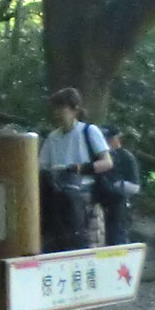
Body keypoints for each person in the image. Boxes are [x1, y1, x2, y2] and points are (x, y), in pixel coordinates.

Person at [39, 87, 110, 252]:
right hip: (57, 191)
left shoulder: (88, 131)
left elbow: (107, 162)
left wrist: (80, 168)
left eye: (61, 108)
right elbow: (42, 165)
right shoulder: (53, 137)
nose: (57, 113)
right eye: (55, 109)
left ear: (75, 110)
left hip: (83, 191)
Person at [102, 126, 141, 245]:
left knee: (118, 233)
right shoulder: (102, 156)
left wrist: (116, 187)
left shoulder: (126, 156)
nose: (107, 141)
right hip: (104, 200)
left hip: (120, 201)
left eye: (109, 139)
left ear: (116, 139)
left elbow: (135, 187)